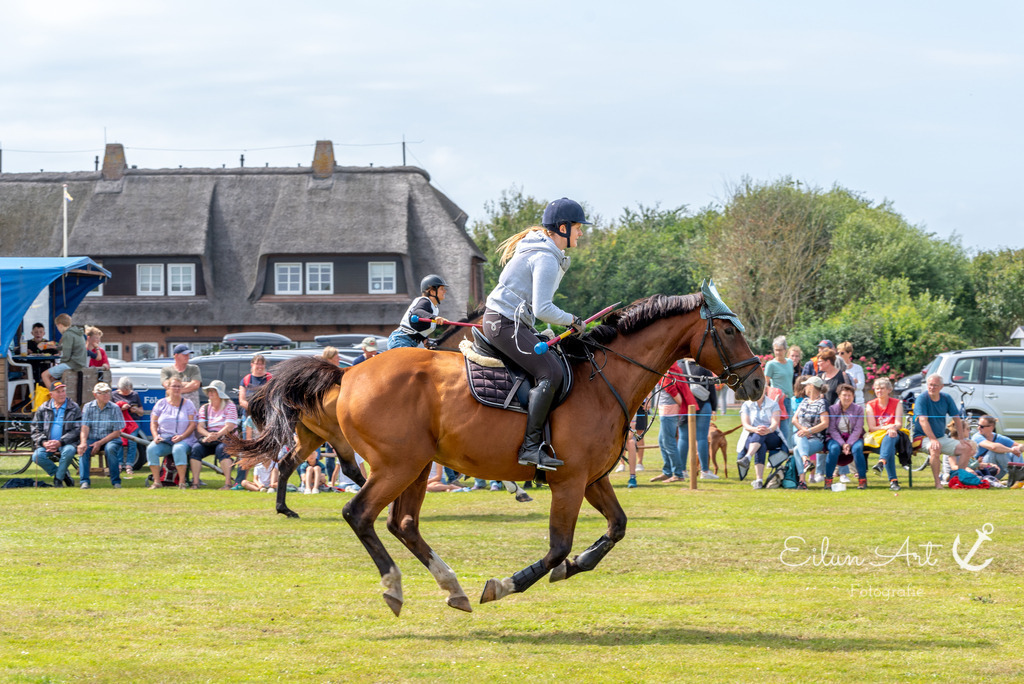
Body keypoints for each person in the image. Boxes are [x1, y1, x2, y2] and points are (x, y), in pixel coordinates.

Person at [481, 197, 589, 471]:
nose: (580, 233)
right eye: (578, 227)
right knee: (551, 372)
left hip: (508, 322)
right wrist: (573, 320)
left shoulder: (544, 252)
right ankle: (530, 448)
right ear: (563, 228)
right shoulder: (546, 258)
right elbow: (543, 309)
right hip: (504, 323)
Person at [913, 373, 976, 488]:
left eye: (935, 385)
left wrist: (962, 438)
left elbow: (957, 419)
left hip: (941, 437)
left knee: (966, 448)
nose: (932, 387)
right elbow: (923, 421)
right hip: (923, 437)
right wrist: (933, 439)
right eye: (930, 385)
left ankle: (958, 479)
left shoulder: (946, 398)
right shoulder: (922, 398)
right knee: (935, 448)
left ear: (941, 387)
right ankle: (938, 482)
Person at [146, 377, 198, 489]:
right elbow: (153, 423)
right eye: (174, 386)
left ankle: (182, 482)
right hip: (165, 439)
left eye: (179, 386)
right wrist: (155, 436)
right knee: (151, 449)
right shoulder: (160, 403)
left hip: (184, 439)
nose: (177, 389)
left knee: (178, 449)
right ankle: (157, 482)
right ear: (168, 388)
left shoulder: (188, 404)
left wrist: (182, 436)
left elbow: (193, 424)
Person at [189, 379, 239, 490]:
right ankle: (195, 483)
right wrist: (208, 435)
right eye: (209, 391)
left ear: (219, 393)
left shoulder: (230, 406)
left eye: (213, 391)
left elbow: (230, 426)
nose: (210, 393)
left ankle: (227, 483)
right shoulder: (204, 408)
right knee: (196, 449)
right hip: (209, 438)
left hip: (226, 438)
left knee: (222, 449)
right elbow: (200, 427)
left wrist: (217, 435)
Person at [29, 381, 81, 487]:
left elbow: (77, 429)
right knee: (37, 456)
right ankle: (63, 475)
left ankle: (58, 479)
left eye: (63, 391)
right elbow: (35, 428)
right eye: (58, 392)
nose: (62, 394)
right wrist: (44, 442)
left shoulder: (74, 407)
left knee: (69, 451)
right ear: (51, 394)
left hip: (67, 443)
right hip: (47, 444)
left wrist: (60, 442)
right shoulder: (43, 408)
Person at [650, 360, 694, 483]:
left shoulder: (667, 375)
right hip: (666, 412)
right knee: (662, 441)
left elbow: (675, 394)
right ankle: (667, 472)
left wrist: (679, 407)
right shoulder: (669, 372)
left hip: (669, 412)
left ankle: (678, 474)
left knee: (669, 443)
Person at [77, 382, 126, 489]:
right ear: (95, 394)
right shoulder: (88, 407)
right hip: (92, 439)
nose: (106, 395)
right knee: (83, 449)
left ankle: (116, 481)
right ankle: (84, 481)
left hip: (111, 439)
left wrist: (99, 443)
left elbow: (117, 432)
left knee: (110, 449)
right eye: (102, 393)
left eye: (108, 392)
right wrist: (83, 442)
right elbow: (85, 427)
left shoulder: (115, 408)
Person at [679, 359, 719, 480]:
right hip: (703, 403)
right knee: (702, 438)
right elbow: (711, 389)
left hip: (684, 404)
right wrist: (714, 407)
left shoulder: (679, 366)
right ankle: (705, 471)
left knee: (683, 438)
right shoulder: (705, 366)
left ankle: (681, 470)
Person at [737, 390, 785, 489]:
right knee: (761, 444)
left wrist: (768, 430)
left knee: (761, 433)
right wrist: (755, 429)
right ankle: (759, 481)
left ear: (764, 390)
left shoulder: (773, 404)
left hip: (771, 436)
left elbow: (774, 424)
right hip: (752, 436)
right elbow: (745, 425)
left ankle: (747, 458)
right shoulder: (746, 405)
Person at [865, 377, 906, 491]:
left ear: (889, 390)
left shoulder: (896, 403)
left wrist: (892, 428)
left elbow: (899, 424)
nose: (879, 391)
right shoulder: (870, 405)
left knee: (891, 436)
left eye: (882, 388)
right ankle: (893, 481)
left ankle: (881, 462)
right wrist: (888, 427)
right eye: (877, 388)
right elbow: (872, 428)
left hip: (894, 435)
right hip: (877, 437)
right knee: (890, 447)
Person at [387, 275, 450, 350]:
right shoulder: (425, 301)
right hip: (400, 340)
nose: (445, 291)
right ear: (432, 291)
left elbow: (419, 327)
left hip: (409, 342)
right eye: (442, 289)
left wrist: (424, 339)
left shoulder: (434, 308)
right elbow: (417, 311)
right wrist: (435, 317)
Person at [823, 384, 867, 490]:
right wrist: (843, 444)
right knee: (834, 448)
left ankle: (862, 479)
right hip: (835, 437)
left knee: (857, 449)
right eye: (844, 395)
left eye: (849, 395)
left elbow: (858, 429)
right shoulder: (832, 409)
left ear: (853, 396)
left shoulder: (859, 409)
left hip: (855, 437)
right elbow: (832, 429)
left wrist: (849, 443)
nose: (847, 398)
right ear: (839, 396)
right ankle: (828, 479)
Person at [791, 375, 828, 488]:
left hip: (816, 439)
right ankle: (806, 461)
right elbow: (794, 419)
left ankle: (802, 481)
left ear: (811, 386)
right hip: (800, 435)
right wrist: (804, 430)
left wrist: (809, 431)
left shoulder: (822, 403)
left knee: (797, 450)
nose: (804, 388)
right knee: (800, 436)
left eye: (806, 385)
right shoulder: (804, 401)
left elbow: (825, 423)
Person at [40, 314, 88, 390]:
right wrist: (56, 347)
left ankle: (53, 394)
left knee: (44, 375)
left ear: (60, 325)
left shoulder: (67, 334)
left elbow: (66, 355)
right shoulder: (77, 333)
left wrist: (60, 364)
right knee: (52, 378)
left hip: (72, 364)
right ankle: (59, 392)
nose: (58, 329)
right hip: (79, 363)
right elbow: (71, 347)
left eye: (57, 327)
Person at [971, 415, 1022, 481]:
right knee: (995, 452)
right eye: (978, 425)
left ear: (991, 427)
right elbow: (993, 447)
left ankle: (1020, 475)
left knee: (1017, 450)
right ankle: (1016, 476)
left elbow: (1020, 446)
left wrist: (1019, 448)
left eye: (982, 426)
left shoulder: (998, 437)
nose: (978, 428)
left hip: (998, 470)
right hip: (983, 471)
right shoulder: (977, 437)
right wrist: (1011, 450)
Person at [112, 376, 144, 478]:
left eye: (127, 390)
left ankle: (129, 464)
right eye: (123, 390)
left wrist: (136, 410)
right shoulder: (113, 395)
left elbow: (141, 412)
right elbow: (111, 412)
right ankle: (119, 464)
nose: (126, 392)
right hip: (120, 422)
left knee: (132, 441)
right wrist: (121, 408)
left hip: (133, 423)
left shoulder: (135, 395)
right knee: (120, 441)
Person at [764, 336, 795, 442]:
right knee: (784, 430)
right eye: (776, 350)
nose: (777, 353)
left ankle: (784, 450)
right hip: (778, 401)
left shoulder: (790, 362)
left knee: (789, 429)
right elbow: (765, 384)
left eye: (780, 350)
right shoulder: (771, 364)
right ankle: (781, 450)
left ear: (785, 350)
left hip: (789, 399)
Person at [161, 344, 202, 410]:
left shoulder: (194, 369)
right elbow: (167, 385)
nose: (187, 357)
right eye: (185, 355)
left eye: (188, 355)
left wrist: (175, 389)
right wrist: (187, 384)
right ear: (176, 356)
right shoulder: (166, 370)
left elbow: (195, 385)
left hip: (191, 409)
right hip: (173, 408)